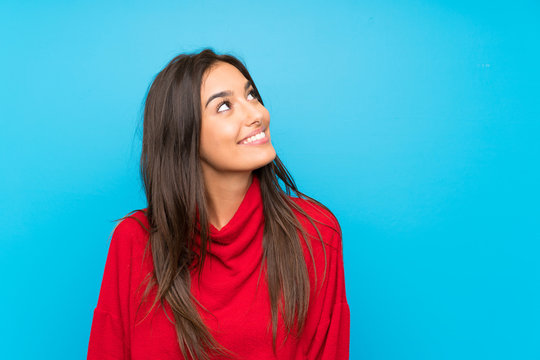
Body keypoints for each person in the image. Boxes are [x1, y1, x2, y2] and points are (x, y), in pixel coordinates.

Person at [87, 48, 350, 360]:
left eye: (251, 96)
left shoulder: (315, 233)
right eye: (224, 106)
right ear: (184, 135)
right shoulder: (134, 240)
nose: (257, 114)